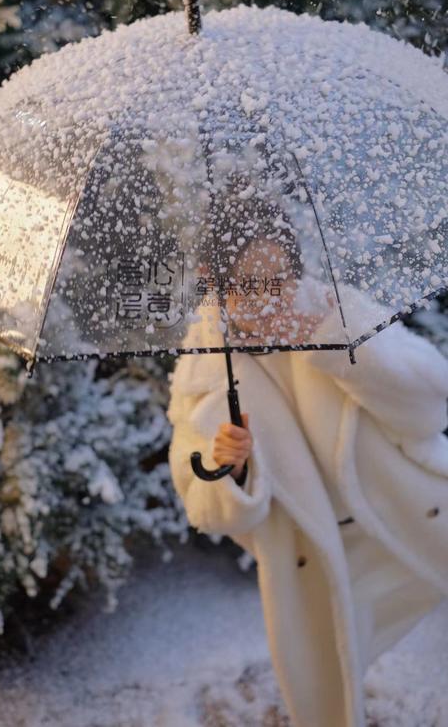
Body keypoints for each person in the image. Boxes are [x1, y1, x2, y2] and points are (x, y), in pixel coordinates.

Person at [166, 203, 448, 727]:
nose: (266, 298)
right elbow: (207, 510)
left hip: (412, 516)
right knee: (328, 702)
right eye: (247, 284)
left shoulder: (333, 311)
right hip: (317, 563)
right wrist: (231, 470)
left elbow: (429, 410)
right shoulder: (205, 375)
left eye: (279, 279)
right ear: (213, 282)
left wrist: (337, 345)